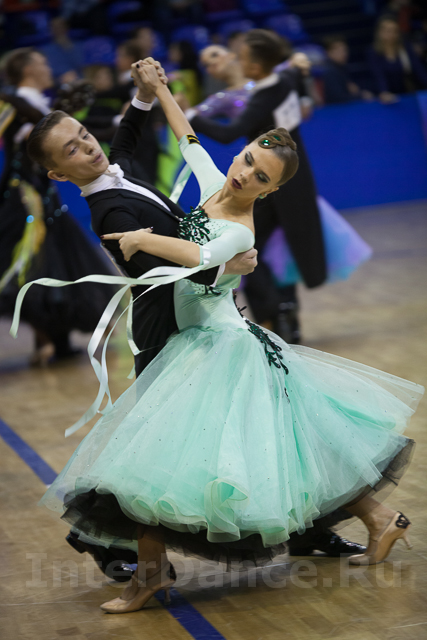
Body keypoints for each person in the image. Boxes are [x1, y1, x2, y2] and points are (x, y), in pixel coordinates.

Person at [21, 62, 423, 614]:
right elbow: (187, 143)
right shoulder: (138, 201)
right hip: (186, 330)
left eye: (260, 175)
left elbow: (198, 251)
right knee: (282, 438)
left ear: (272, 189)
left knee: (175, 452)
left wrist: (194, 251)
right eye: (247, 159)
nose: (245, 173)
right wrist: (161, 92)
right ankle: (377, 518)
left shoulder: (224, 219)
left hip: (216, 340)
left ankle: (153, 572)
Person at [25, 59, 257, 579]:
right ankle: (101, 537)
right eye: (72, 150)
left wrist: (144, 94)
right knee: (155, 443)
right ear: (58, 174)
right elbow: (154, 273)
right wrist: (226, 269)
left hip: (194, 312)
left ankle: (108, 538)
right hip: (167, 325)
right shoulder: (110, 213)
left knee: (189, 433)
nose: (89, 148)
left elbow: (126, 136)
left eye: (85, 136)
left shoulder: (115, 169)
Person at [195, 44, 372, 294]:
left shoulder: (270, 79)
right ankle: (266, 304)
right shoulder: (222, 98)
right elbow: (200, 118)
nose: (210, 65)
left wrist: (304, 90)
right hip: (260, 183)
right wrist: (182, 111)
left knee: (293, 241)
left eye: (214, 55)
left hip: (288, 178)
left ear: (232, 55)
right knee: (258, 243)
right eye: (205, 64)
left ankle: (287, 306)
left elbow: (295, 66)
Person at [188, 30, 327, 346]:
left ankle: (274, 314)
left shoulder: (263, 95)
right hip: (294, 181)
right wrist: (300, 66)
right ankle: (282, 313)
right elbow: (295, 71)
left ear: (255, 65)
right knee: (275, 248)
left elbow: (230, 133)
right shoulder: (284, 79)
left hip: (270, 186)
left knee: (252, 246)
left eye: (241, 56)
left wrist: (188, 115)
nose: (236, 60)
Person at [0, 48, 116, 365]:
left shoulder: (36, 105)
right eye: (42, 62)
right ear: (28, 70)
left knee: (55, 262)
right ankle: (46, 340)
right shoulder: (14, 104)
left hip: (44, 198)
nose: (48, 66)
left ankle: (55, 341)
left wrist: (116, 122)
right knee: (33, 263)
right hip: (25, 201)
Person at [368, 15, 427, 103]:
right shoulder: (373, 52)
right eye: (388, 31)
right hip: (387, 97)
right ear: (380, 32)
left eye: (395, 31)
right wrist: (384, 92)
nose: (392, 35)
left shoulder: (405, 48)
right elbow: (378, 75)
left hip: (408, 93)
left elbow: (418, 69)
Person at [322, 36, 374, 104]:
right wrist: (361, 96)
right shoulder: (329, 71)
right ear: (328, 52)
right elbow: (337, 98)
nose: (344, 53)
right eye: (338, 50)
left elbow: (352, 89)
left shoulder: (342, 68)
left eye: (345, 50)